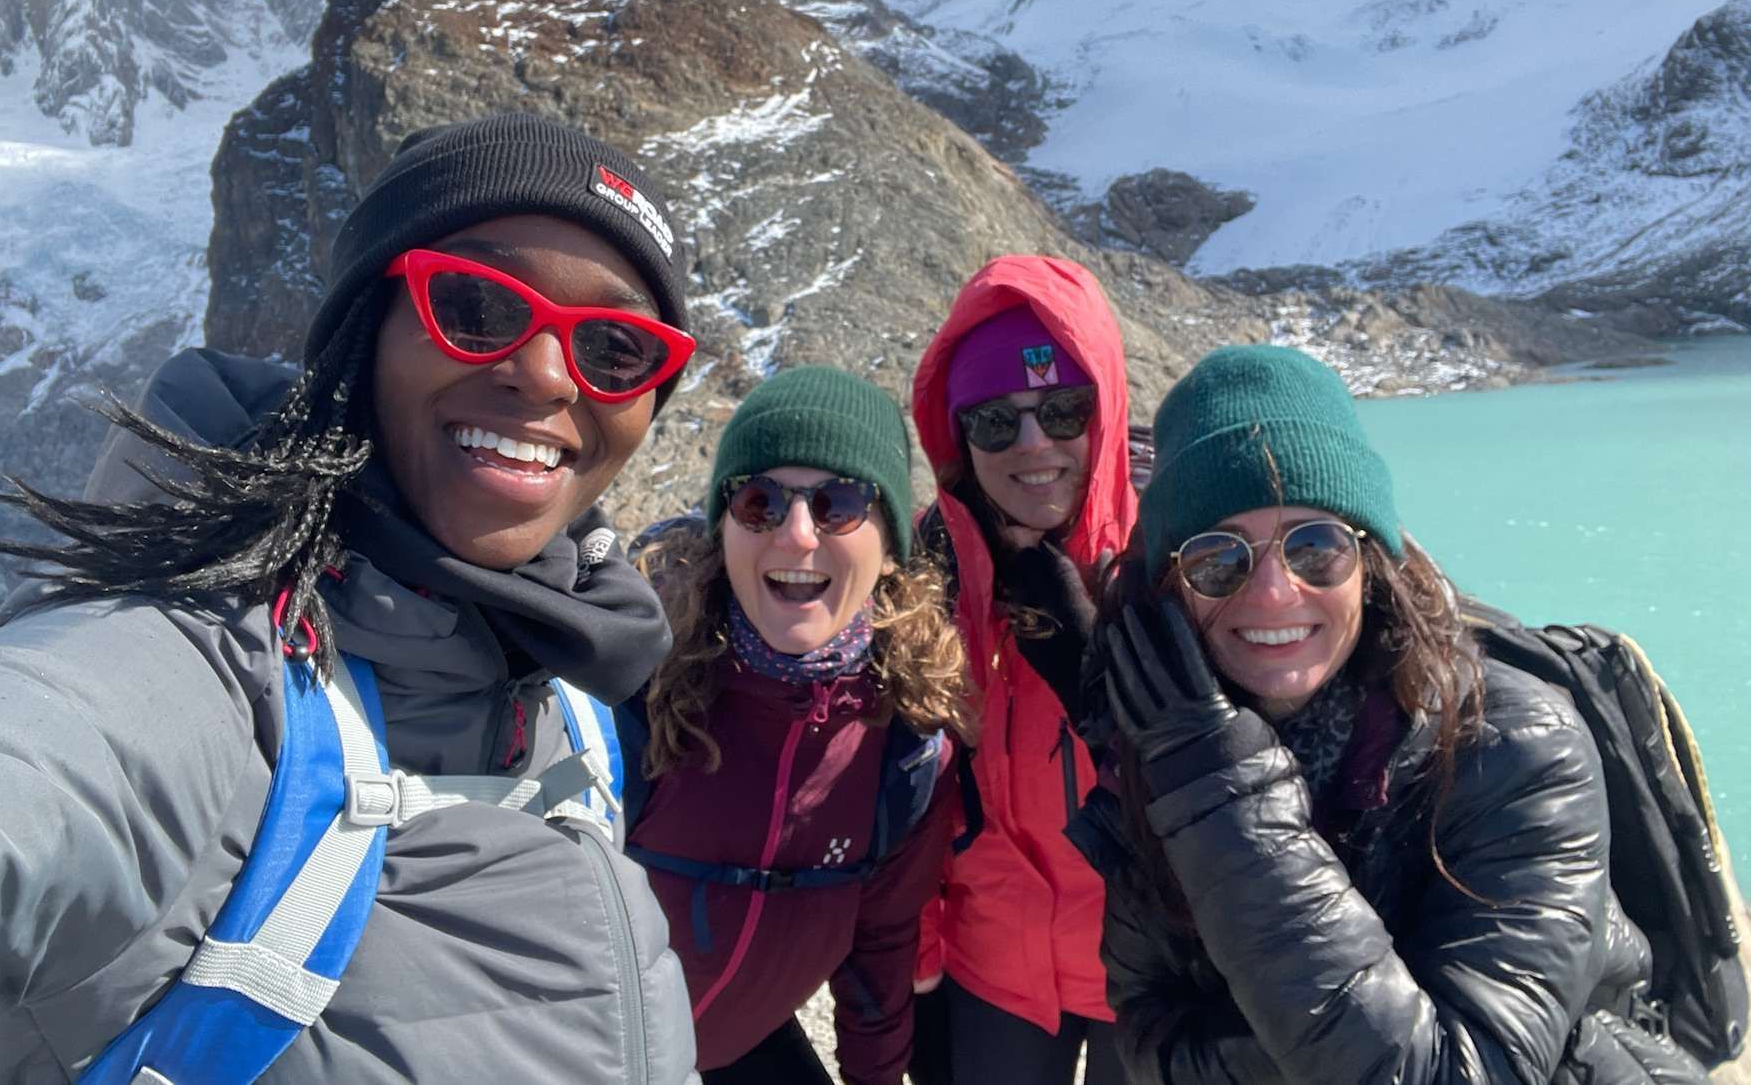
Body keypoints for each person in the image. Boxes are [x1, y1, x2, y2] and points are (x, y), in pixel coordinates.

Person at [0, 114, 701, 1082]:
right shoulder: (201, 668)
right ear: (361, 333)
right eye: (475, 304)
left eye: (616, 347)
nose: (544, 375)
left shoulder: (570, 695)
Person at [1090, 343, 1710, 1084]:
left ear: (1371, 558)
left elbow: (1464, 1073)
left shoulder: (1515, 749)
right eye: (1220, 559)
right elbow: (1145, 1022)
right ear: (1174, 586)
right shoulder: (1168, 732)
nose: (1274, 593)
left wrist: (1227, 799)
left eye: (1314, 547)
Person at [624, 366, 972, 1085]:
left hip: (732, 1049)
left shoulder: (905, 749)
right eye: (759, 503)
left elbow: (879, 950)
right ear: (722, 528)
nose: (797, 535)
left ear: (890, 543)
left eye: (838, 503)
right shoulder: (635, 681)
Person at [906, 255, 1137, 1085]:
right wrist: (921, 954)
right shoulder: (928, 572)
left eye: (1063, 410)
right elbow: (906, 786)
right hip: (991, 961)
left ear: (1103, 408)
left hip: (1146, 974)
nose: (1033, 445)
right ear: (959, 436)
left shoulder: (1179, 563)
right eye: (996, 423)